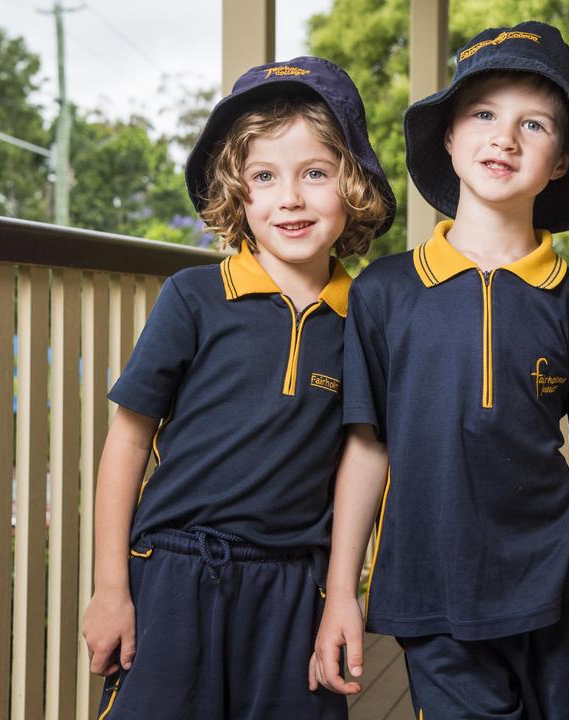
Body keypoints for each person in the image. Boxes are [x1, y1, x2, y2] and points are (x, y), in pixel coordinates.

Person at [311, 21, 569, 718]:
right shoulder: (384, 293)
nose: (505, 137)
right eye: (484, 114)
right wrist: (344, 589)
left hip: (561, 589)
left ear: (560, 161)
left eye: (535, 124)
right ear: (451, 139)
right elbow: (366, 447)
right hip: (433, 590)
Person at [80, 56, 395, 719]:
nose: (290, 197)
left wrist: (345, 592)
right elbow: (128, 441)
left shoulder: (367, 320)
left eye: (316, 173)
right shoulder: (192, 298)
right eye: (263, 176)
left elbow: (363, 457)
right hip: (173, 572)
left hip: (294, 590)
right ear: (237, 191)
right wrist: (112, 587)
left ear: (354, 185)